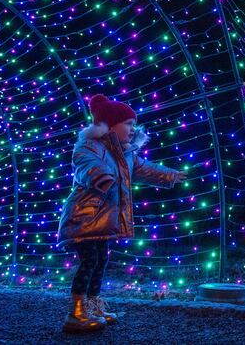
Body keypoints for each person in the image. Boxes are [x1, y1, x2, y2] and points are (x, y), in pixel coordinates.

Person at [57, 94, 186, 332]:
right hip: (84, 217)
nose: (132, 128)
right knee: (90, 261)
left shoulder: (126, 154)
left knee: (101, 261)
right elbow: (85, 164)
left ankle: (93, 307)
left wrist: (169, 175)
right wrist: (100, 176)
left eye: (132, 124)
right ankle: (75, 314)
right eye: (127, 123)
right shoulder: (88, 145)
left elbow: (145, 169)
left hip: (105, 219)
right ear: (110, 124)